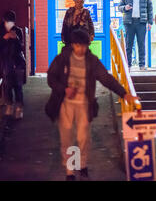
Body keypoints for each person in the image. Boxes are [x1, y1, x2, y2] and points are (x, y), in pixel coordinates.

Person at [46, 29, 135, 181]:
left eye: (84, 46)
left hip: (84, 104)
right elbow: (51, 77)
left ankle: (82, 164)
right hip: (65, 104)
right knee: (68, 137)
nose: (81, 49)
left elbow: (106, 78)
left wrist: (124, 93)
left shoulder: (91, 61)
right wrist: (64, 89)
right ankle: (70, 171)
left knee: (83, 137)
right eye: (78, 46)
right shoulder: (63, 58)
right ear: (73, 45)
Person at [118, 0, 154, 71]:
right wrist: (125, 8)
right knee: (128, 44)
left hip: (141, 22)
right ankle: (128, 65)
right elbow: (119, 7)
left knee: (141, 44)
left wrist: (150, 22)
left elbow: (150, 9)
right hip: (129, 23)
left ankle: (142, 65)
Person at [0, 10, 26, 119]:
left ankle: (19, 108)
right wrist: (4, 38)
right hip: (5, 62)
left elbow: (21, 47)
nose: (9, 23)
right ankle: (9, 105)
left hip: (17, 62)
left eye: (11, 21)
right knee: (7, 85)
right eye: (8, 21)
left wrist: (16, 38)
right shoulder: (1, 30)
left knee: (18, 86)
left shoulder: (18, 31)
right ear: (4, 20)